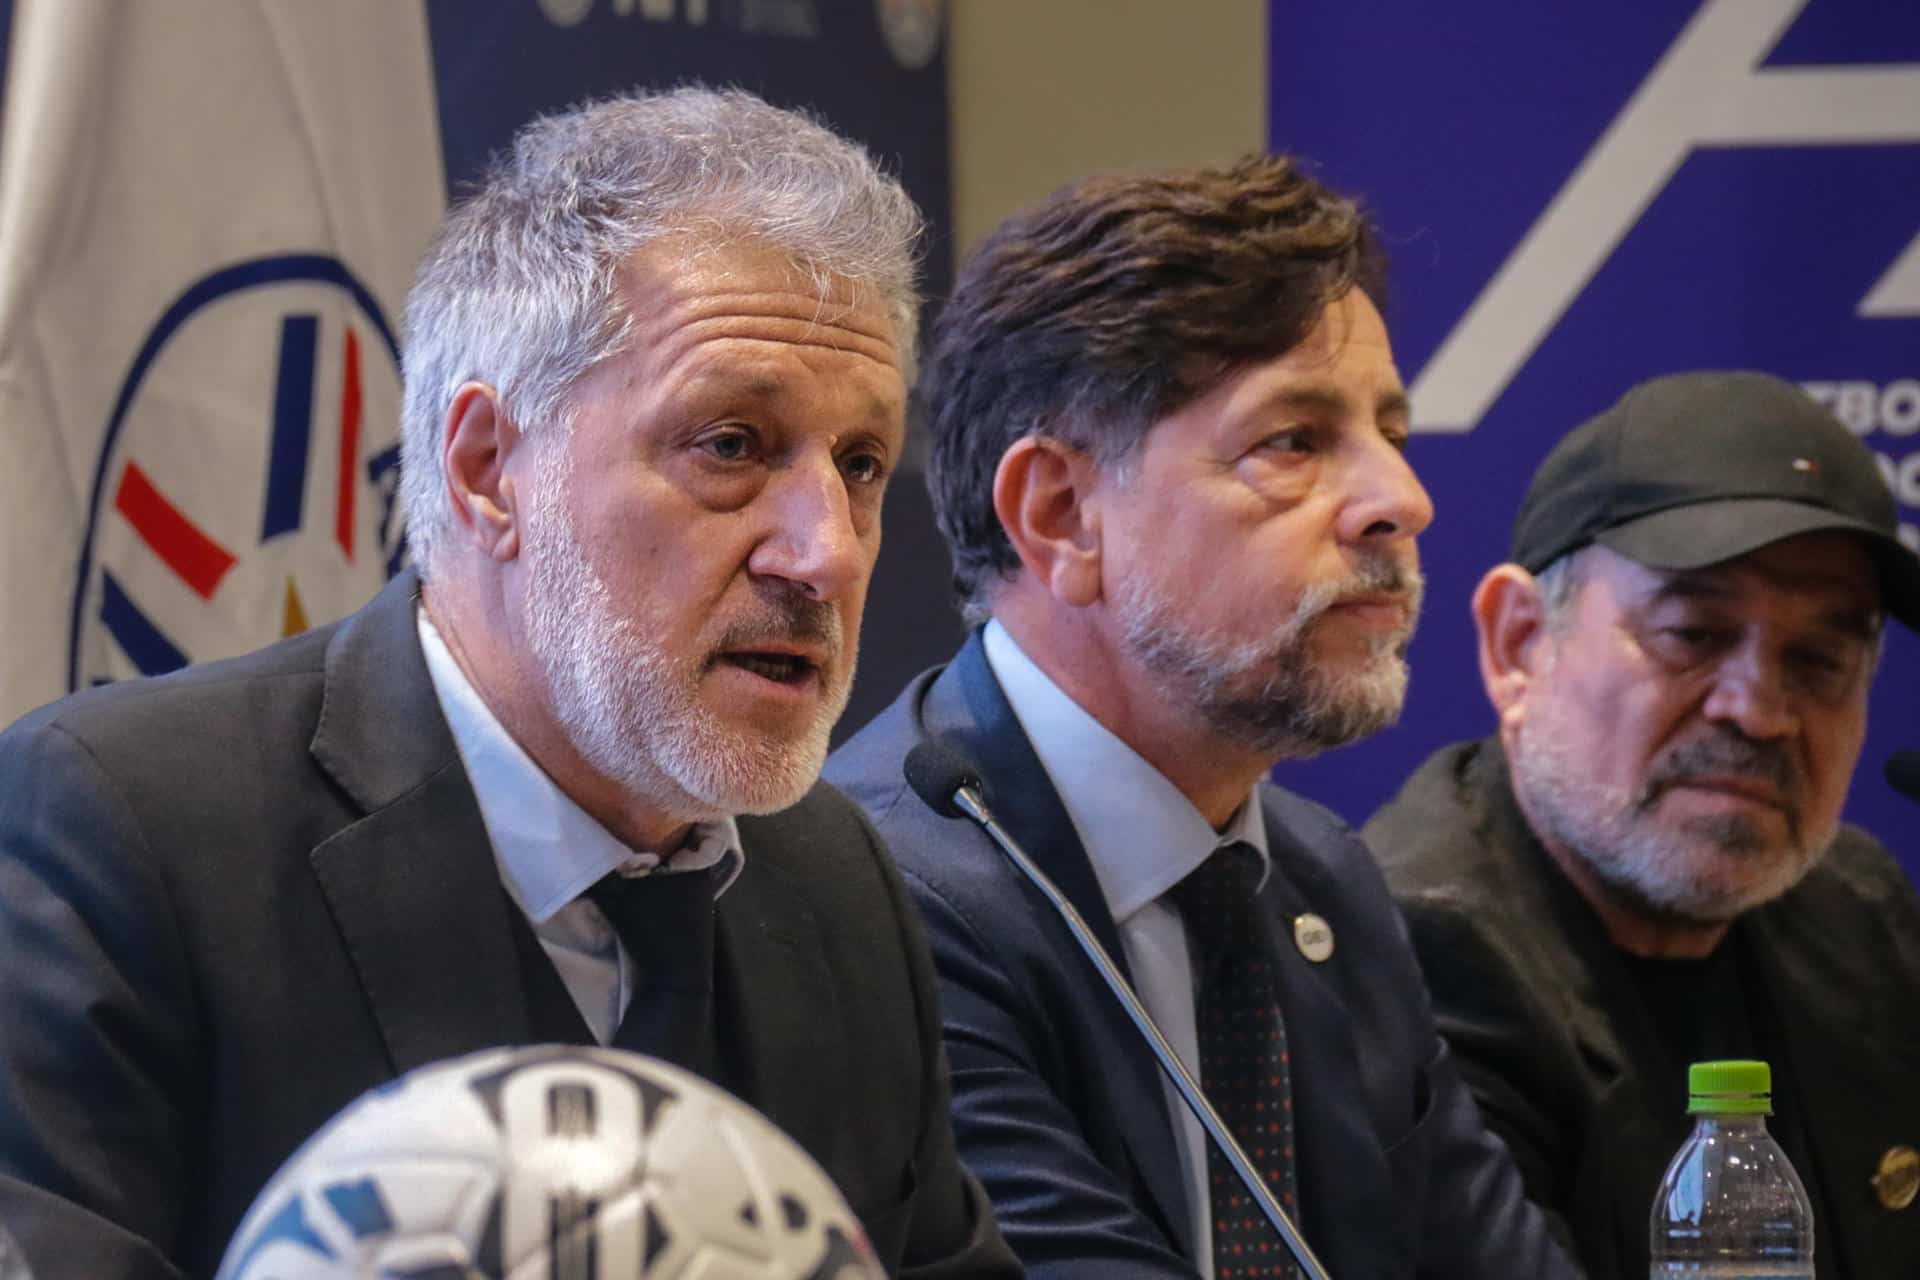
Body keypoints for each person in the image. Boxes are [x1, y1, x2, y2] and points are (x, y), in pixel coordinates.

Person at [0, 88, 1016, 1280]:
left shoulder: (842, 882)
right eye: (732, 444)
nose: (828, 550)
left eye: (859, 464)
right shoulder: (124, 826)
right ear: (489, 469)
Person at [826, 158, 1578, 1279]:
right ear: (1062, 512)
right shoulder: (878, 898)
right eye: (1295, 441)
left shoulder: (1324, 879)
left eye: (1390, 431)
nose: (1401, 500)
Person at [1366, 370, 1920, 1278]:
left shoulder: (1858, 912)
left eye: (1819, 659)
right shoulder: (1409, 960)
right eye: (1693, 636)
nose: (1761, 712)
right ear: (1517, 644)